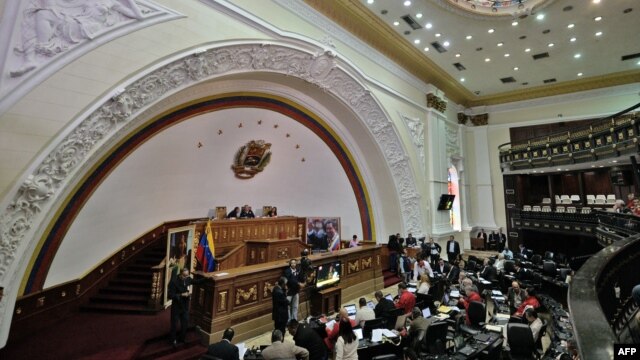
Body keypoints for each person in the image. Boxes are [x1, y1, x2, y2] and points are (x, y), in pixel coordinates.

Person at [168, 268, 205, 346]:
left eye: (187, 275)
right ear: (181, 274)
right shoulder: (174, 282)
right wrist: (181, 295)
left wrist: (207, 278)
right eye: (185, 275)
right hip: (176, 306)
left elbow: (196, 282)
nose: (186, 277)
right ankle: (173, 340)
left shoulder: (188, 279)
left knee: (185, 324)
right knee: (174, 324)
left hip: (185, 306)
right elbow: (171, 295)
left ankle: (182, 339)